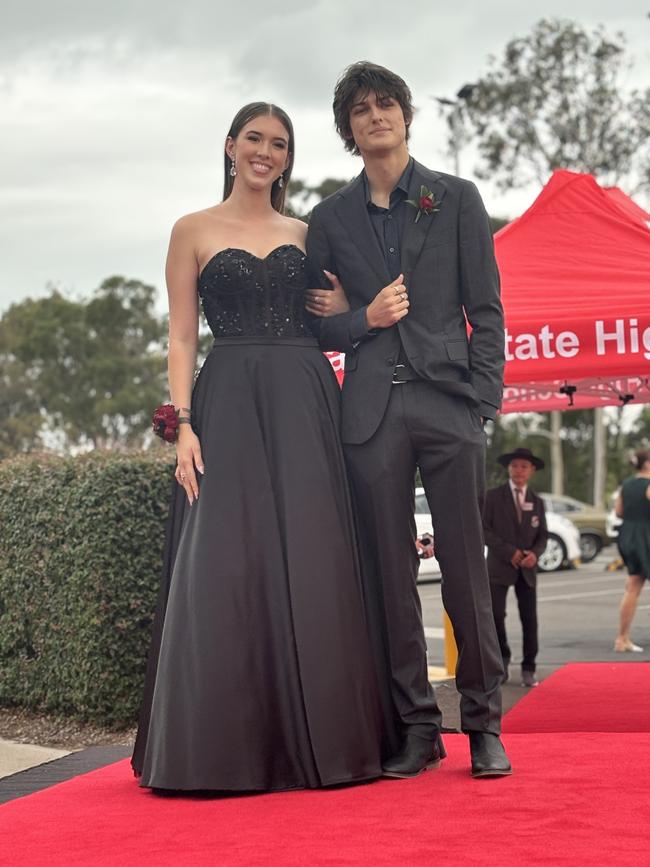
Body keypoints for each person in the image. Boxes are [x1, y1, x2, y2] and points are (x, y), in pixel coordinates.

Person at [131, 102, 384, 792]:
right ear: (230, 146)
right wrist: (182, 423)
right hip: (228, 396)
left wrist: (341, 312)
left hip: (305, 393)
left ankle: (330, 742)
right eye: (254, 139)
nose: (265, 151)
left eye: (278, 142)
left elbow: (336, 314)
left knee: (313, 548)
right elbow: (182, 334)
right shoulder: (192, 229)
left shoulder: (311, 232)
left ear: (287, 156)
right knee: (225, 555)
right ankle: (218, 749)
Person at [305, 62, 511, 778]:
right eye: (359, 110)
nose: (374, 116)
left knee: (466, 573)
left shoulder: (455, 198)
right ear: (348, 130)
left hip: (449, 406)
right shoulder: (328, 220)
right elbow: (319, 328)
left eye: (385, 103)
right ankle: (418, 726)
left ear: (405, 115)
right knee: (390, 579)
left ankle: (483, 722)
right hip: (369, 413)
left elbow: (486, 312)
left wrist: (482, 404)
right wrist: (364, 317)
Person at [483, 447, 548, 688]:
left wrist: (535, 554)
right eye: (514, 466)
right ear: (508, 469)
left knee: (529, 619)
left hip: (527, 571)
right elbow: (484, 530)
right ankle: (502, 660)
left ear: (531, 471)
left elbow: (543, 536)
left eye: (524, 466)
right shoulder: (492, 497)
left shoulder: (537, 501)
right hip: (500, 566)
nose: (518, 470)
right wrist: (510, 552)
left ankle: (529, 668)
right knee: (496, 616)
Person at [613, 448, 650, 653]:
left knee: (632, 586)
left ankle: (622, 638)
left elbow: (619, 512)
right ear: (646, 464)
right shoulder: (648, 484)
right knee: (634, 586)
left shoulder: (626, 485)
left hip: (627, 535)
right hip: (644, 537)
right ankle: (622, 639)